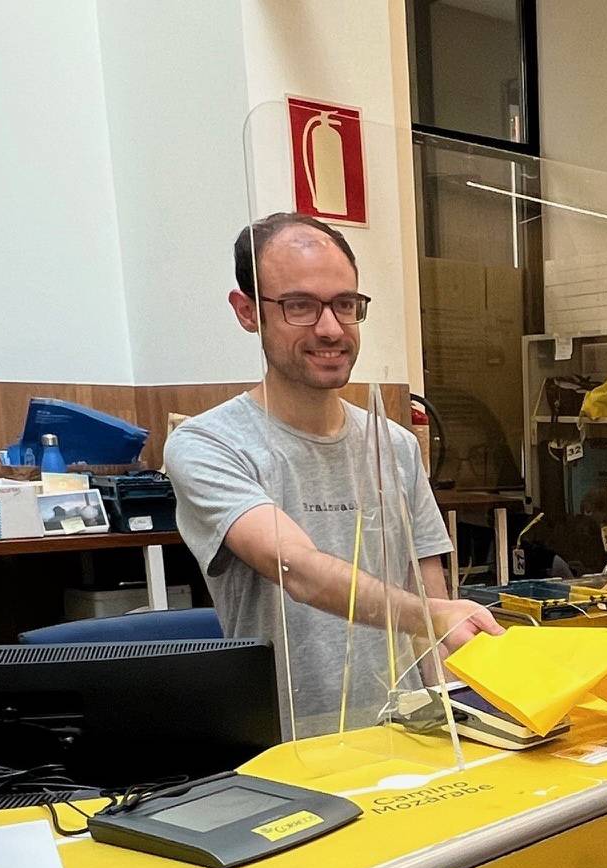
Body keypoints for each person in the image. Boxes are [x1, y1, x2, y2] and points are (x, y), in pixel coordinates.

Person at [166, 213, 499, 735]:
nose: (330, 328)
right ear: (248, 312)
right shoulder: (208, 444)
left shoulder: (396, 445)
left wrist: (458, 718)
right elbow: (295, 566)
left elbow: (430, 596)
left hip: (412, 737)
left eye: (345, 304)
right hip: (290, 748)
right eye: (300, 305)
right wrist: (431, 616)